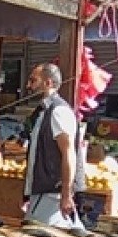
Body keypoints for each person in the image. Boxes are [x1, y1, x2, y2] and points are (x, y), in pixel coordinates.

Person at [22, 63, 85, 228]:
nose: (29, 86)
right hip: (44, 192)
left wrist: (65, 194)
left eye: (33, 80)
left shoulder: (58, 111)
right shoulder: (44, 112)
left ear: (48, 83)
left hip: (52, 194)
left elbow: (69, 153)